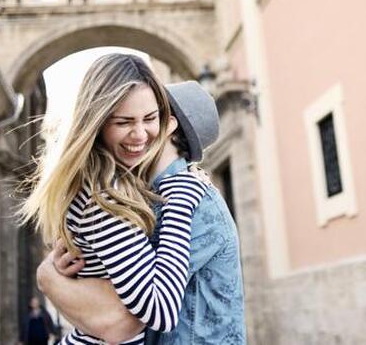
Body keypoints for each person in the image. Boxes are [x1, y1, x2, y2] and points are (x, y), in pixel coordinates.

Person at [19, 54, 219, 344]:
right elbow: (161, 310)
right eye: (124, 122)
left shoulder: (112, 184)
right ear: (97, 122)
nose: (140, 135)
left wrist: (49, 277)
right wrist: (180, 202)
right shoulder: (105, 195)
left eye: (150, 119)